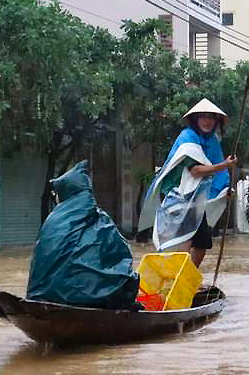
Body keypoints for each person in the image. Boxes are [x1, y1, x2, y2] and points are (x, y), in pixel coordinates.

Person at [26, 160, 140, 309]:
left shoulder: (51, 221)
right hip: (88, 299)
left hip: (41, 295)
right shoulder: (101, 221)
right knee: (127, 280)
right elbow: (121, 256)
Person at [138, 98, 236, 268]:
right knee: (182, 243)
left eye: (211, 117)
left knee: (202, 244)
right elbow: (196, 171)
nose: (207, 121)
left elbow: (218, 174)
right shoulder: (187, 138)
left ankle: (185, 278)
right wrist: (225, 165)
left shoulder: (213, 142)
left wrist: (225, 189)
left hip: (197, 202)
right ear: (195, 119)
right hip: (180, 199)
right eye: (203, 117)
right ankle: (175, 279)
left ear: (216, 121)